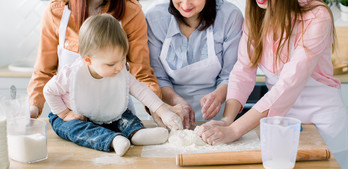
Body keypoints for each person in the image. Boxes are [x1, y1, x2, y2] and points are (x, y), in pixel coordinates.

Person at [199, 0, 348, 169]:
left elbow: (289, 84)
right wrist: (227, 120)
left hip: (322, 121)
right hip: (280, 123)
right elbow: (243, 71)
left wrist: (234, 130)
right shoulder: (257, 15)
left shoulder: (317, 16)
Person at [43, 14, 183, 156]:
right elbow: (48, 90)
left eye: (122, 59)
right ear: (88, 60)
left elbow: (141, 91)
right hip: (77, 116)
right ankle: (112, 140)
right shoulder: (71, 75)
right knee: (70, 127)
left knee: (125, 116)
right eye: (111, 64)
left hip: (108, 113)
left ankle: (137, 133)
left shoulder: (120, 71)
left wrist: (163, 111)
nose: (119, 67)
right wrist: (65, 113)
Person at [28, 0, 172, 127]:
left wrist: (158, 108)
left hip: (116, 113)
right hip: (76, 118)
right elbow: (44, 72)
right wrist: (33, 109)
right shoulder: (56, 11)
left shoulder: (132, 11)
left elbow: (141, 74)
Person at [146, 0, 243, 129]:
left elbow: (231, 75)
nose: (185, 5)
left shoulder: (230, 16)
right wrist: (176, 102)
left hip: (215, 118)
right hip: (168, 112)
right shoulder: (155, 17)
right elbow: (156, 77)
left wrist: (217, 96)